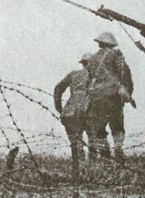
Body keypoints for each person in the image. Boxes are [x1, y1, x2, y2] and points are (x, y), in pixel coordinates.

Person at [86, 32, 134, 163]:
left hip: (96, 97)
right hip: (112, 95)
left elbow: (88, 79)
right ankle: (118, 149)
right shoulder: (116, 54)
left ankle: (104, 153)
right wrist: (128, 91)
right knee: (117, 125)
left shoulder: (92, 59)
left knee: (100, 128)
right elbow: (124, 72)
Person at [54, 53, 93, 165]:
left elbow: (58, 88)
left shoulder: (73, 74)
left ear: (83, 63)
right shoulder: (95, 76)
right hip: (88, 110)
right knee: (93, 140)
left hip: (70, 110)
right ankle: (91, 169)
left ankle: (79, 167)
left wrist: (59, 108)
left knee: (76, 143)